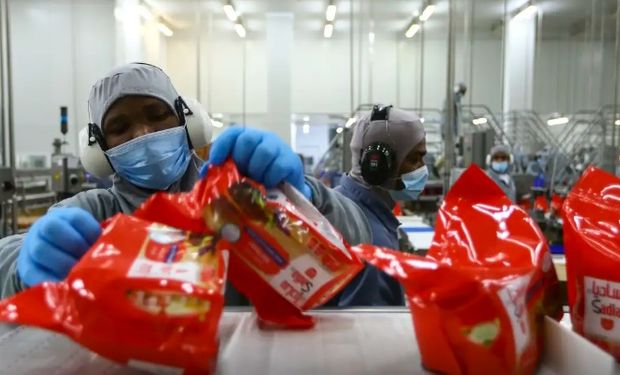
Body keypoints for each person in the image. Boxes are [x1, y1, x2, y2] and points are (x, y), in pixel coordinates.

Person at [0, 63, 371, 301]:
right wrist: (25, 264)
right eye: (120, 127)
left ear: (188, 123)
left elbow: (360, 243)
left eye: (157, 115)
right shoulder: (96, 214)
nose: (144, 133)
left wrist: (305, 199)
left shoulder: (239, 195)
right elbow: (9, 257)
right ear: (100, 149)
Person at [328, 105, 428, 306]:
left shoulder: (338, 201)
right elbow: (370, 332)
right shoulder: (374, 245)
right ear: (380, 165)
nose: (422, 169)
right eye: (414, 159)